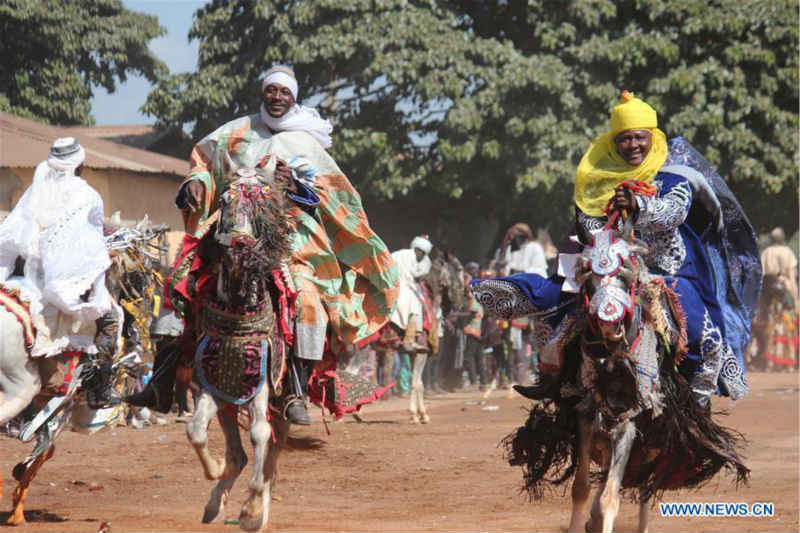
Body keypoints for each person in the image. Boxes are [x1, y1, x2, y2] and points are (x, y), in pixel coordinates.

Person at [129, 65, 399, 423]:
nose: (276, 97)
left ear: (293, 97)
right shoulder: (236, 132)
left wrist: (295, 187)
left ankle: (296, 393)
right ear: (263, 93)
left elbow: (331, 198)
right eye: (271, 91)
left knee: (307, 299)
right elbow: (204, 165)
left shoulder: (306, 143)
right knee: (180, 280)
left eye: (284, 93)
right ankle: (161, 384)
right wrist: (194, 182)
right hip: (232, 228)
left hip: (290, 239)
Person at [476, 91, 759, 407]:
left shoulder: (673, 176)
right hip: (606, 262)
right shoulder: (595, 178)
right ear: (614, 142)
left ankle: (696, 402)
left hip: (665, 271)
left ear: (651, 136)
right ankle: (554, 381)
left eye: (639, 137)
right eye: (624, 139)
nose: (633, 145)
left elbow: (673, 212)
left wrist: (639, 204)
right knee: (557, 310)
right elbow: (587, 219)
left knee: (701, 333)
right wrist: (604, 245)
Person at [0, 137, 118, 406]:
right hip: (57, 285)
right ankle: (98, 391)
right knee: (111, 318)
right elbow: (87, 248)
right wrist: (104, 257)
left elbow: (12, 235)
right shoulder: (87, 196)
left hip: (21, 278)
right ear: (81, 165)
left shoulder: (35, 191)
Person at [761, 228, 798, 311]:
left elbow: (762, 276)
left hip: (768, 290)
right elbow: (792, 279)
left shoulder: (766, 253)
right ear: (782, 237)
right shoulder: (788, 252)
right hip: (785, 288)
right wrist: (796, 301)